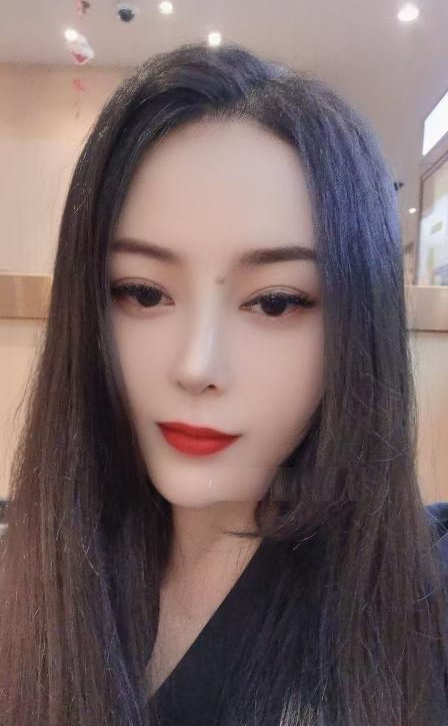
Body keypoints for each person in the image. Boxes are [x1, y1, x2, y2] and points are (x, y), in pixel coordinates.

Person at [0, 41, 447, 726]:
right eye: (143, 292)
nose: (197, 367)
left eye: (275, 302)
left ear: (356, 329)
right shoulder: (26, 576)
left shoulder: (422, 598)